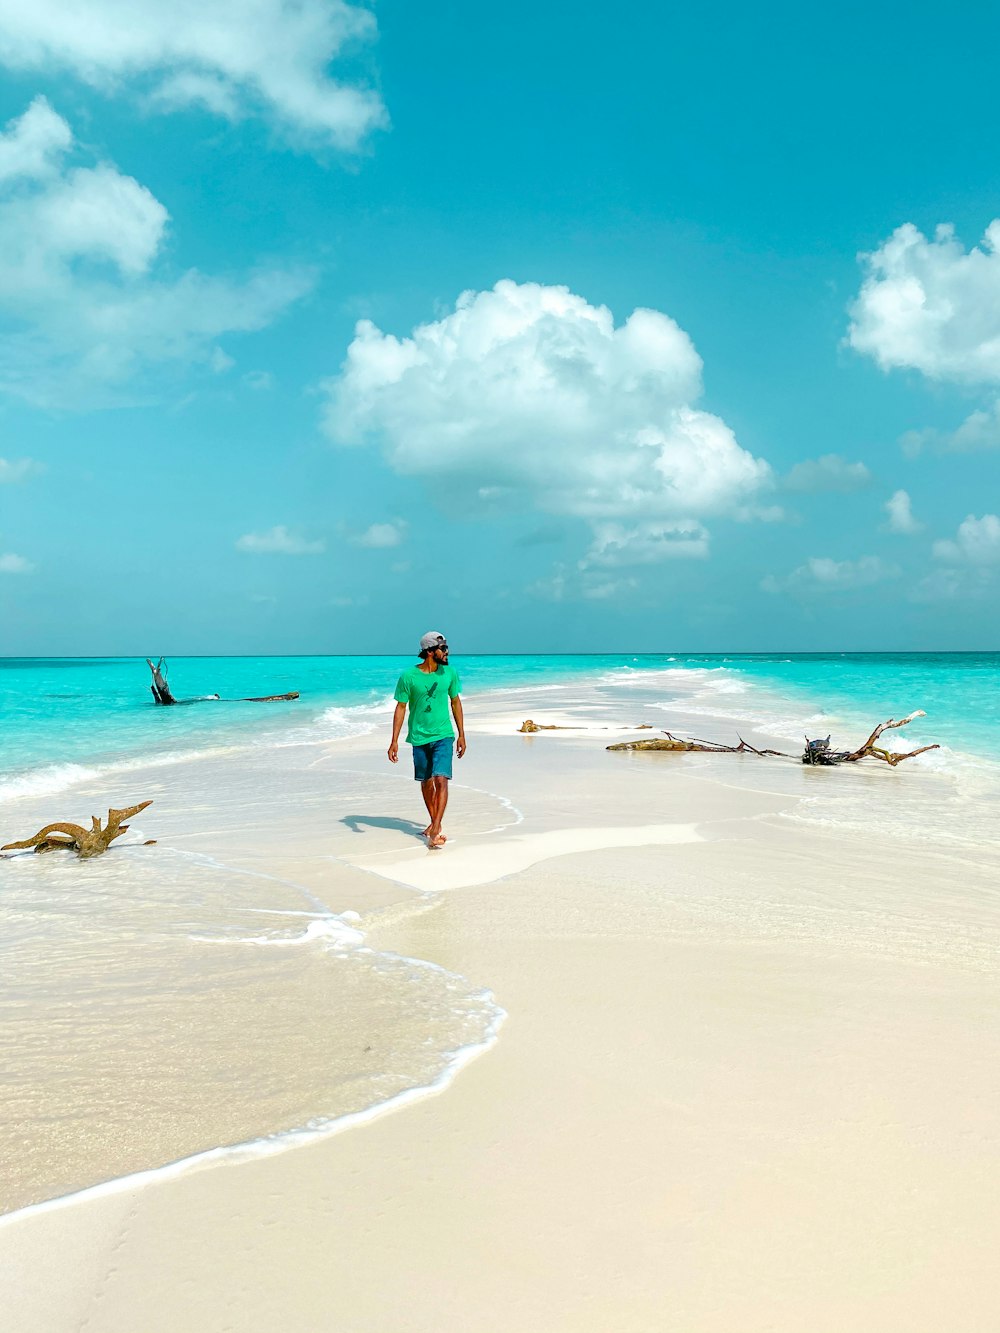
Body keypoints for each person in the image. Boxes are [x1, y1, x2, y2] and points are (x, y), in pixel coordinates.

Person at [388, 631, 466, 848]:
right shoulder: (408, 676)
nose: (447, 652)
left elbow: (456, 703)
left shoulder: (449, 673)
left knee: (441, 779)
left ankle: (435, 830)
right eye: (443, 648)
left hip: (443, 735)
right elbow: (401, 707)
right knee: (426, 782)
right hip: (419, 737)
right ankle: (434, 823)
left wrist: (461, 734)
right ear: (430, 652)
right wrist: (394, 740)